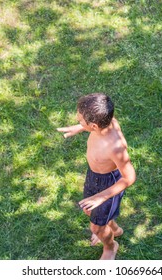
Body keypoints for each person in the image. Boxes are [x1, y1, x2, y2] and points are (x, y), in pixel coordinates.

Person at [57, 93, 136, 260]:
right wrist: (79, 128)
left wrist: (101, 196)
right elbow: (92, 125)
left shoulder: (115, 147)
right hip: (93, 176)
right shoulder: (108, 122)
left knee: (96, 227)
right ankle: (112, 229)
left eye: (80, 121)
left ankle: (110, 246)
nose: (78, 122)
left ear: (93, 126)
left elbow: (129, 177)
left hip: (108, 184)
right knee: (89, 212)